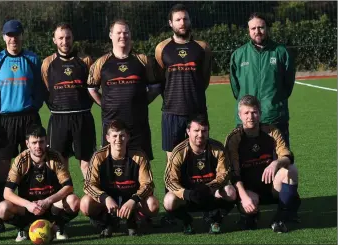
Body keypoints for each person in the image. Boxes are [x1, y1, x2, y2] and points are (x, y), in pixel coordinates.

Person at [0, 19, 46, 233]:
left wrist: (33, 105)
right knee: (2, 169)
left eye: (17, 35)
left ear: (22, 36)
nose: (13, 39)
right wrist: (1, 109)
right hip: (5, 121)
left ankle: (29, 213)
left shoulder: (31, 58)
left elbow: (40, 87)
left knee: (30, 168)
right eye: (9, 35)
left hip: (29, 118)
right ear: (4, 37)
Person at [225, 95, 300, 233]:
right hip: (249, 190)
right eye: (246, 113)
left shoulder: (272, 131)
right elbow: (233, 173)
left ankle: (281, 217)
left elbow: (288, 156)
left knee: (291, 170)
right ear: (240, 115)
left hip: (271, 187)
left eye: (254, 112)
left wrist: (276, 163)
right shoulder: (234, 138)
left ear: (260, 113)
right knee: (249, 219)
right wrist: (244, 197)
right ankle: (249, 215)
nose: (250, 116)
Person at [87, 19, 161, 161]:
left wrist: (141, 102)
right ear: (111, 35)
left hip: (138, 125)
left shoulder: (143, 60)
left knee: (142, 166)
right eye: (119, 32)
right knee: (112, 167)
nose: (123, 36)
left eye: (126, 32)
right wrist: (105, 104)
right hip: (111, 126)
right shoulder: (101, 63)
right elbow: (92, 89)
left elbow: (155, 87)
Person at [0, 125, 80, 242]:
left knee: (74, 201)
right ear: (27, 143)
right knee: (2, 208)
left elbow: (68, 187)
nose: (38, 146)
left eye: (41, 142)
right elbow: (7, 193)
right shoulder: (20, 161)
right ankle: (23, 227)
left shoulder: (55, 157)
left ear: (46, 141)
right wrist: (28, 205)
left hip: (51, 207)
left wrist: (47, 201)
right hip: (28, 209)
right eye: (34, 142)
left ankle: (58, 226)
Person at [80, 120, 159, 237]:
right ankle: (106, 221)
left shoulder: (139, 156)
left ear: (128, 137)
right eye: (115, 136)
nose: (118, 140)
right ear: (108, 138)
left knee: (153, 204)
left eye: (122, 136)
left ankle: (134, 219)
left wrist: (134, 200)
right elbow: (89, 184)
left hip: (131, 199)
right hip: (108, 200)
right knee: (85, 203)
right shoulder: (98, 156)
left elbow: (147, 184)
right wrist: (105, 198)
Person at [155, 4, 212, 161]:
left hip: (197, 111)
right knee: (173, 161)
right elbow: (161, 79)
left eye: (185, 19)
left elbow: (204, 78)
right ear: (171, 23)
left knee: (199, 158)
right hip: (171, 112)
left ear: (190, 21)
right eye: (178, 19)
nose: (182, 22)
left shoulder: (202, 47)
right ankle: (172, 187)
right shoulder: (161, 48)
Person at [230, 13, 295, 147]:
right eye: (253, 28)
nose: (257, 31)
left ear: (267, 28)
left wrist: (274, 103)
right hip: (247, 120)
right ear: (248, 31)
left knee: (282, 161)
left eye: (261, 27)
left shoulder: (281, 52)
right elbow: (236, 88)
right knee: (247, 163)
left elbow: (288, 85)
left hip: (274, 117)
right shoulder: (238, 55)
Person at [163, 115, 236, 234]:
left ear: (208, 131)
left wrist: (209, 187)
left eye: (204, 131)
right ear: (188, 131)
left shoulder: (217, 148)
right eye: (196, 131)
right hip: (188, 196)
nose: (200, 135)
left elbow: (224, 174)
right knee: (169, 200)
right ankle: (187, 221)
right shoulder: (179, 151)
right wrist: (186, 193)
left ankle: (215, 220)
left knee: (230, 191)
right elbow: (170, 180)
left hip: (210, 192)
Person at [41, 23, 96, 178]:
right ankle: (62, 202)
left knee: (86, 164)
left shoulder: (85, 61)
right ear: (54, 40)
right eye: (61, 38)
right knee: (60, 164)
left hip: (83, 117)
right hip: (59, 119)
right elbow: (47, 89)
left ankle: (91, 200)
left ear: (73, 38)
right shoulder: (47, 63)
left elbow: (92, 88)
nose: (65, 41)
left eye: (68, 37)